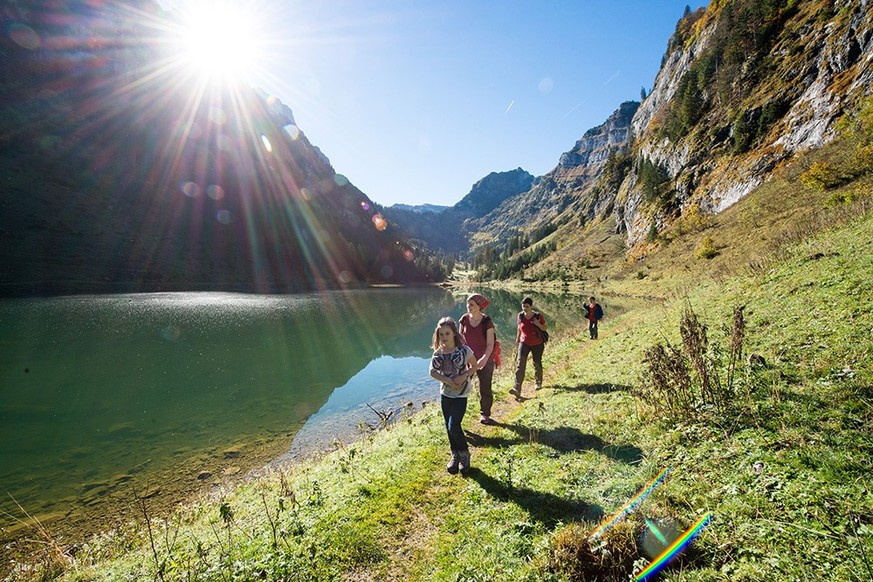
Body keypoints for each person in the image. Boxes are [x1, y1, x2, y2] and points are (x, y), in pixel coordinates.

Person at [429, 317, 477, 475]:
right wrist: (448, 380)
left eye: (447, 333)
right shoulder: (439, 353)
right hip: (446, 394)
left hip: (461, 394)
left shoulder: (463, 350)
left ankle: (464, 454)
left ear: (454, 333)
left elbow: (474, 366)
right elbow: (432, 372)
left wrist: (464, 376)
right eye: (441, 334)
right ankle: (454, 455)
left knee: (453, 425)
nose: (444, 337)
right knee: (447, 426)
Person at [459, 293, 497, 425]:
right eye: (467, 304)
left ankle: (485, 414)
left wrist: (484, 359)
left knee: (485, 387)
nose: (468, 307)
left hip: (485, 359)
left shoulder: (487, 321)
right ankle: (458, 415)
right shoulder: (463, 319)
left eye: (472, 304)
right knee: (461, 386)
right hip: (468, 360)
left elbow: (490, 344)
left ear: (479, 306)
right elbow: (460, 341)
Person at [510, 297, 547, 399]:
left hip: (537, 344)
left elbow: (545, 327)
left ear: (531, 306)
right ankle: (517, 388)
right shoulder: (520, 315)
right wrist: (517, 340)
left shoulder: (538, 316)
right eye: (523, 306)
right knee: (520, 365)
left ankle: (538, 382)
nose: (525, 308)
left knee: (537, 362)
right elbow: (519, 328)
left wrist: (537, 324)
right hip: (524, 343)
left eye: (527, 306)